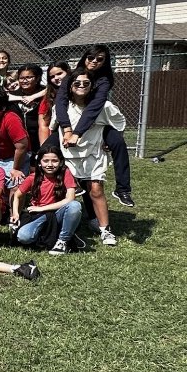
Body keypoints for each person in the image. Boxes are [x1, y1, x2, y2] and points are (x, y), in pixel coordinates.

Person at [50, 68, 126, 247]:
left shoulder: (103, 106)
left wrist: (110, 140)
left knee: (96, 190)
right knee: (66, 192)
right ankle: (61, 228)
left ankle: (105, 229)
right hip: (69, 156)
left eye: (86, 83)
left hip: (93, 154)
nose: (81, 86)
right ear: (70, 86)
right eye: (77, 83)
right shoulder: (61, 107)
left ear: (92, 86)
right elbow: (53, 127)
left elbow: (120, 123)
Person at [54, 44, 134, 208]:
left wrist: (77, 133)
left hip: (96, 125)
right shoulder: (70, 76)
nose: (94, 61)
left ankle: (123, 189)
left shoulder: (103, 81)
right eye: (91, 57)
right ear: (85, 58)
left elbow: (94, 108)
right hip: (71, 124)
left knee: (118, 142)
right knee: (45, 150)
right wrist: (67, 130)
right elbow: (60, 103)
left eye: (100, 59)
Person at [10, 147, 83, 255]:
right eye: (45, 161)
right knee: (23, 237)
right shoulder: (33, 177)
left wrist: (42, 208)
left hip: (57, 213)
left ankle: (62, 241)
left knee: (75, 206)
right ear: (39, 163)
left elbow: (70, 199)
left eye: (54, 161)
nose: (50, 164)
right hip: (38, 215)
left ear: (60, 162)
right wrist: (15, 213)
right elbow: (17, 195)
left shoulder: (66, 174)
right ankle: (49, 234)